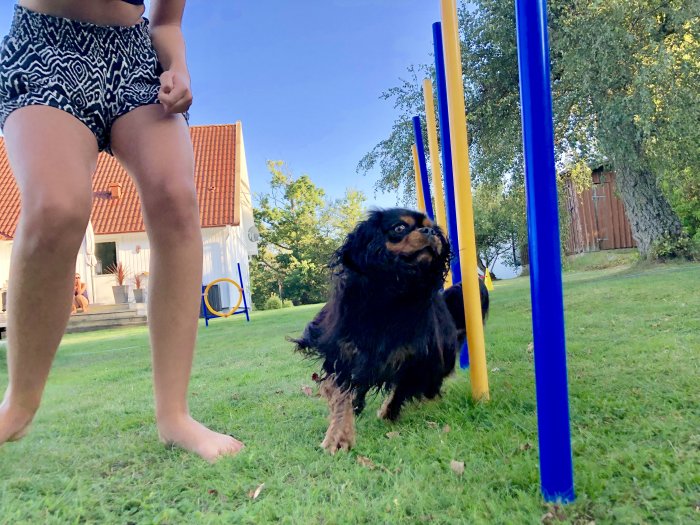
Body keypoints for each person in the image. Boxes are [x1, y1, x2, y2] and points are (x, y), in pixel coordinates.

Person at [0, 0, 243, 462]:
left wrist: (178, 68)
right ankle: (18, 406)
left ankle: (174, 416)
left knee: (176, 198)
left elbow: (168, 20)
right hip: (44, 46)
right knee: (57, 208)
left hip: (132, 56)